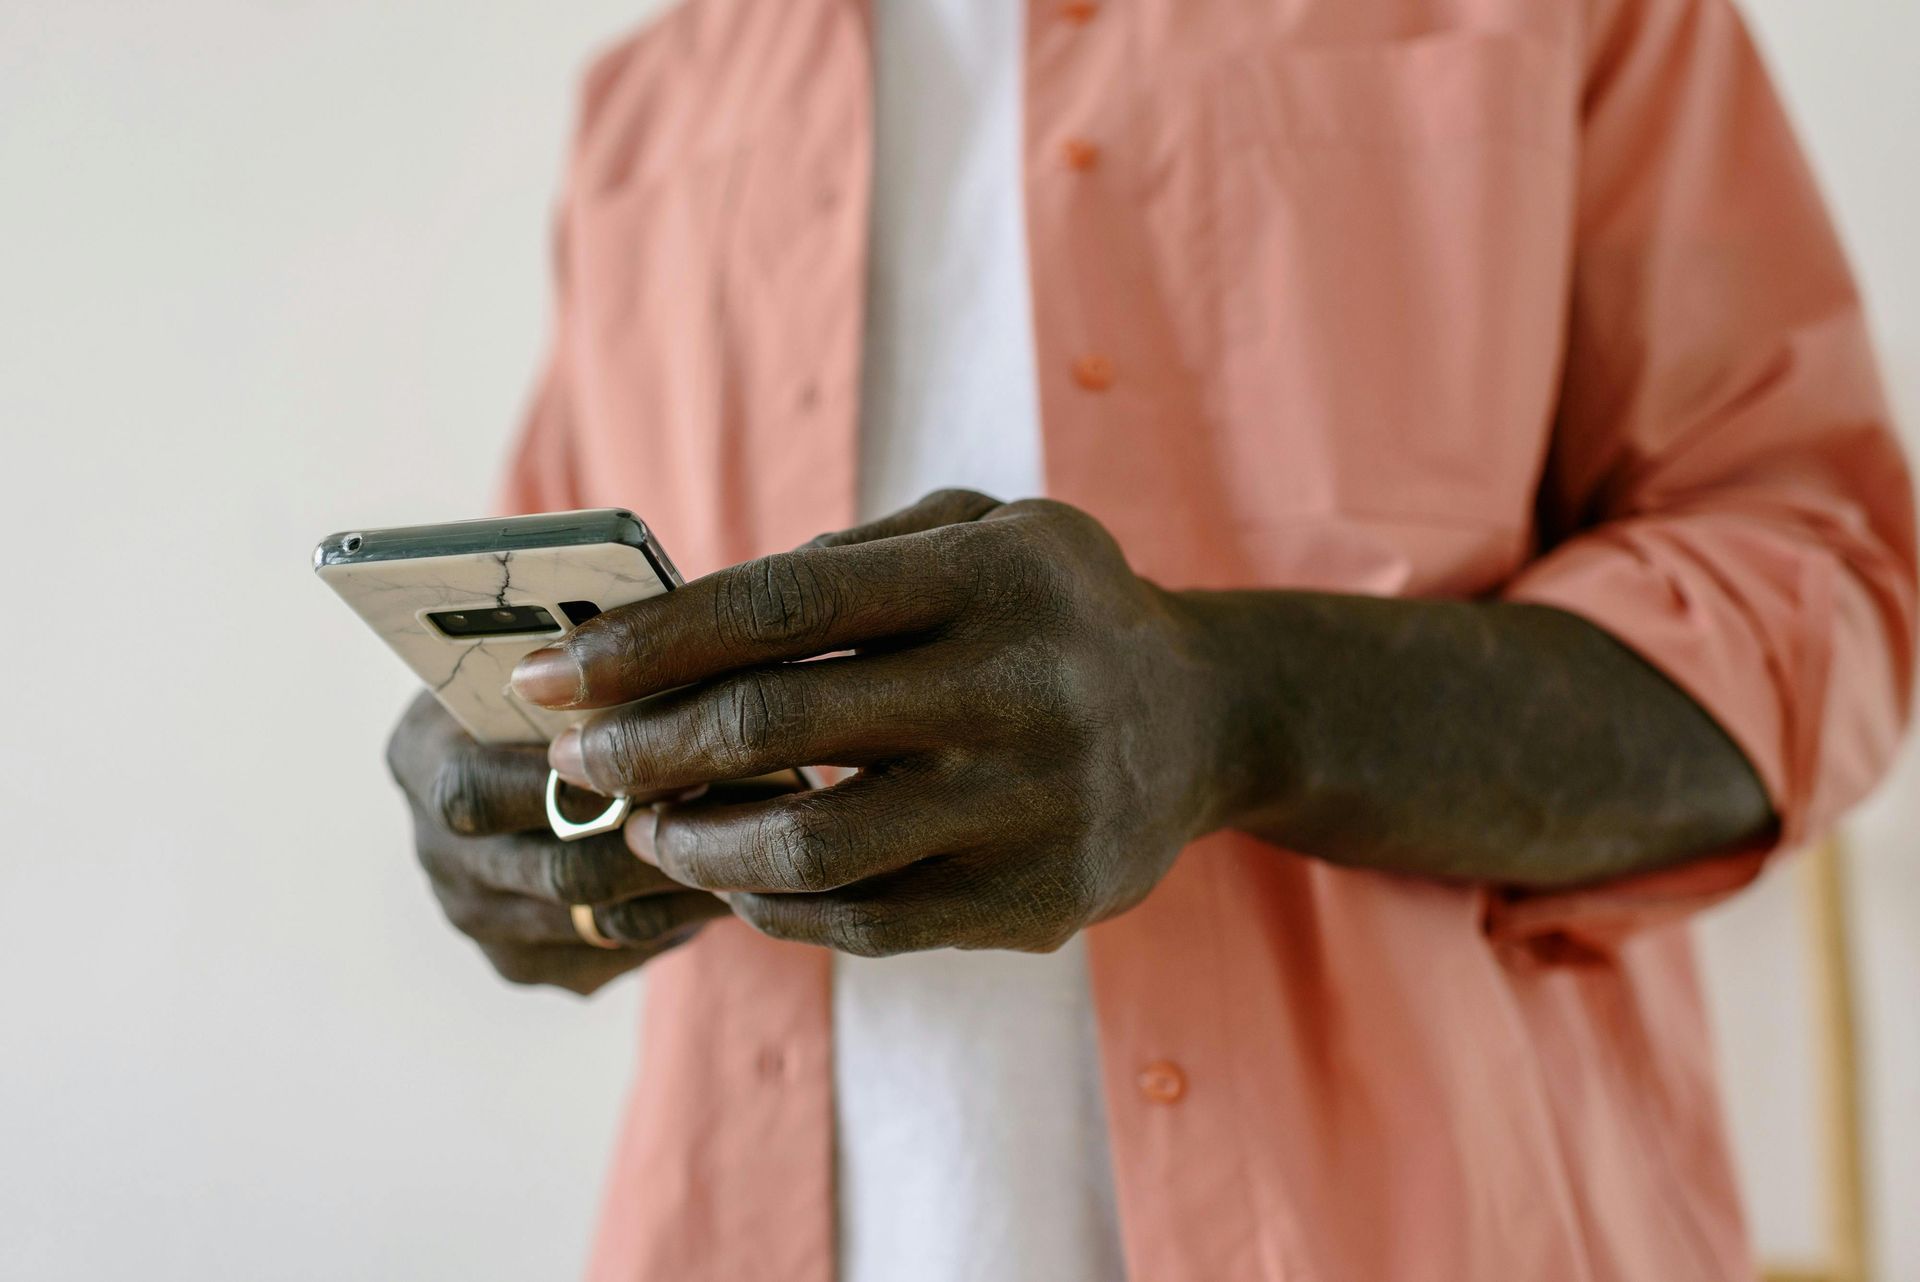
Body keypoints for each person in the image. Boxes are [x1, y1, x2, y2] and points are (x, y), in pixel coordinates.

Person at [381, 0, 1916, 1278]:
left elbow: (1823, 599)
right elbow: (573, 664)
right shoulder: (653, 103)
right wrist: (525, 828)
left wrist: (1236, 705)